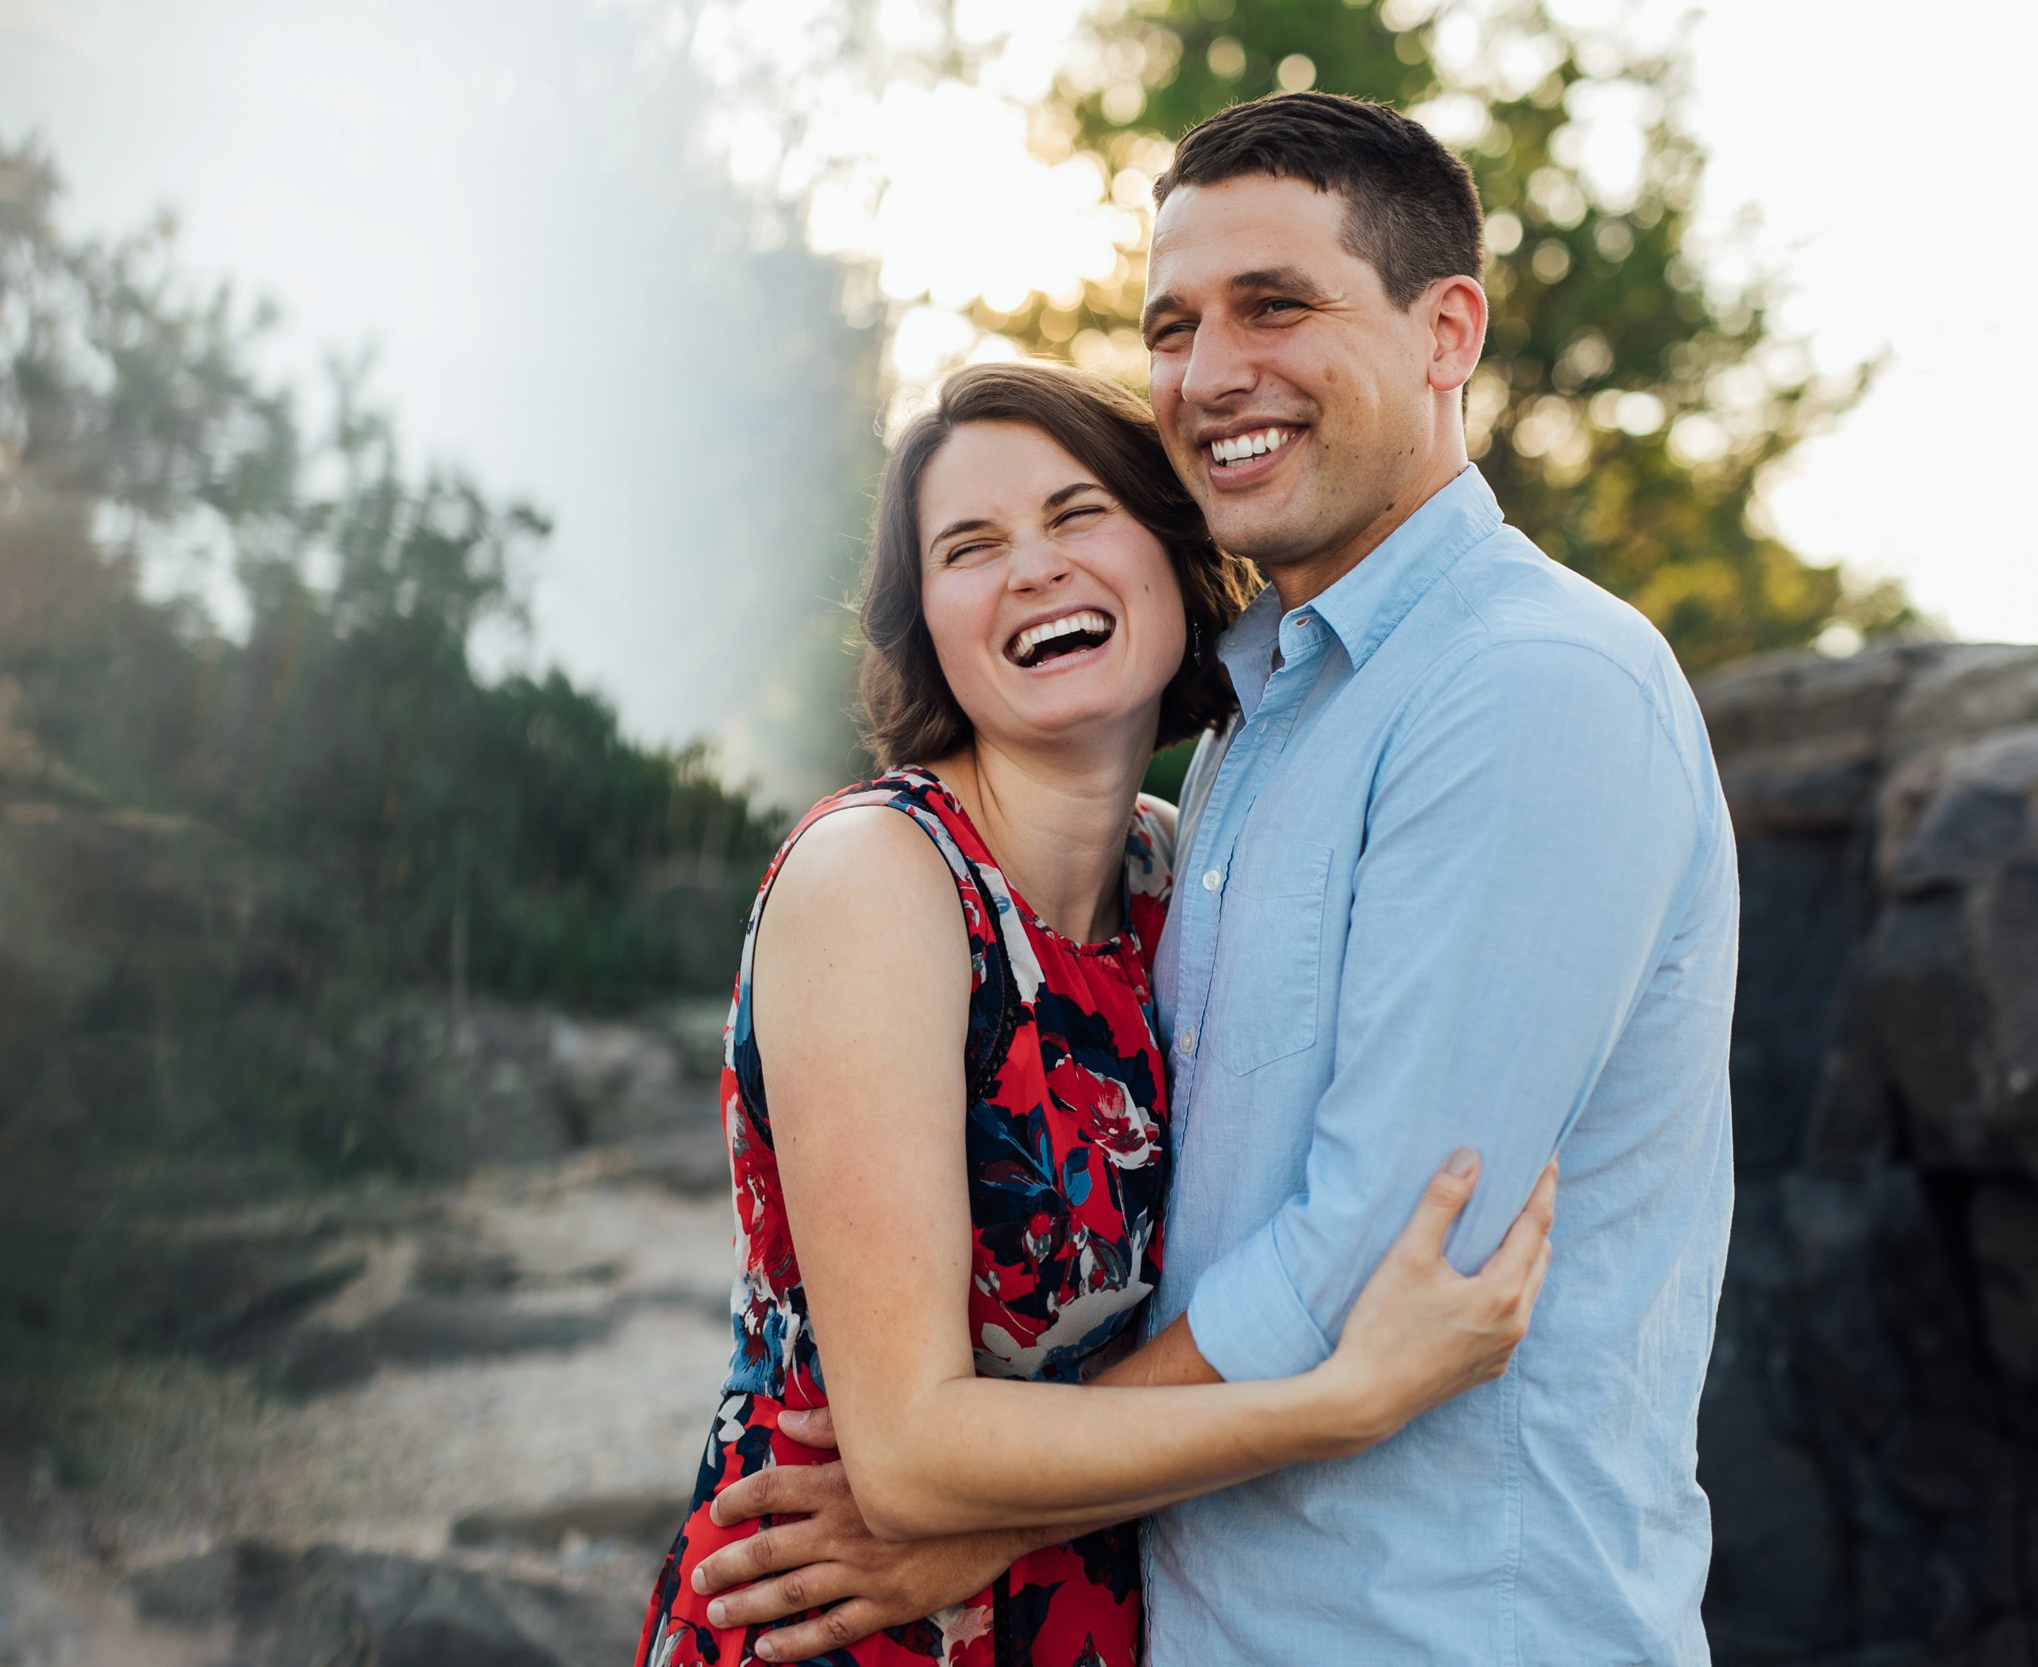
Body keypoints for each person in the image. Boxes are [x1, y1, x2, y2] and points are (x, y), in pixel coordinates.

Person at [687, 91, 1741, 1665]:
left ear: (1446, 330)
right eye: (1172, 325)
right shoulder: (1259, 738)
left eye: (1276, 304)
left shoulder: (1532, 684)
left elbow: (1373, 1251)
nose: (1210, 370)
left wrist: (969, 1528)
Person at [633, 359, 1560, 1667]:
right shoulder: (882, 878)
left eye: (1078, 516)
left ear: (1176, 557)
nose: (1032, 568)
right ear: (931, 628)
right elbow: (905, 1459)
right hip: (847, 1625)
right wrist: (1344, 1403)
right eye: (970, 546)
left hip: (1090, 1611)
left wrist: (998, 1531)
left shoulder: (1179, 878)